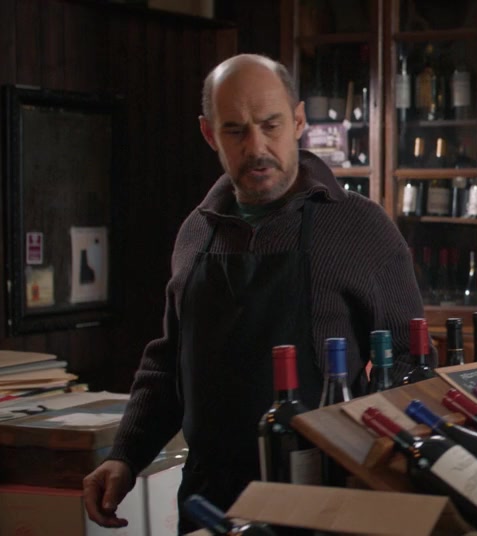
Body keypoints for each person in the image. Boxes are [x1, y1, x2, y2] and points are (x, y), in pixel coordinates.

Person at [82, 54, 431, 531]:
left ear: (299, 121)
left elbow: (412, 365)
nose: (256, 147)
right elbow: (167, 364)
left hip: (321, 500)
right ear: (209, 134)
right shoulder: (196, 232)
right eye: (235, 131)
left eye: (271, 125)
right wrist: (124, 456)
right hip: (209, 500)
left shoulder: (360, 227)